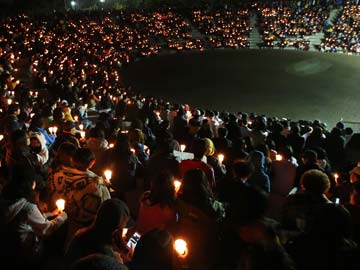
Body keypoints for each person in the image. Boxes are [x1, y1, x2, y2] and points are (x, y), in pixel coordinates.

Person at [0, 166, 67, 268]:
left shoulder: (6, 197)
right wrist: (63, 216)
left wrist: (50, 214)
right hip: (24, 251)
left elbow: (24, 219)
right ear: (30, 183)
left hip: (7, 246)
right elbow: (46, 229)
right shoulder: (28, 207)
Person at [49, 148, 111, 247]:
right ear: (92, 163)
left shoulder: (57, 172)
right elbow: (97, 207)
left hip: (59, 214)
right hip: (79, 221)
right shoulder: (93, 184)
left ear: (72, 159)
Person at [66, 199, 131, 267]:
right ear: (115, 230)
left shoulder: (81, 233)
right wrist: (121, 263)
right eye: (124, 225)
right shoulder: (105, 255)